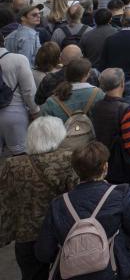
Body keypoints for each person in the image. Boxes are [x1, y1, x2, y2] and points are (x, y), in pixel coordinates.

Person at [35, 141, 130, 280]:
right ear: (105, 167)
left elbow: (44, 252)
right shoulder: (120, 193)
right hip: (113, 270)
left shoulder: (58, 204)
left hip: (72, 274)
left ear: (76, 170)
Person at [0, 116, 76, 280]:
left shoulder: (12, 165)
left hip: (27, 236)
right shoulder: (68, 159)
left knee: (31, 275)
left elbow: (4, 201)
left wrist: (5, 233)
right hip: (62, 233)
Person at [90, 68, 130, 195]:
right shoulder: (125, 109)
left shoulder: (96, 107)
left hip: (106, 165)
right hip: (125, 169)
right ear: (122, 83)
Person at [0, 39, 39, 157]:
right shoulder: (18, 60)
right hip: (14, 114)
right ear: (3, 40)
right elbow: (29, 92)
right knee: (21, 159)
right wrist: (35, 111)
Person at [40, 57, 105, 121]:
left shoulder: (51, 101)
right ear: (86, 75)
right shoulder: (99, 94)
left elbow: (45, 126)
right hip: (92, 131)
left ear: (67, 74)